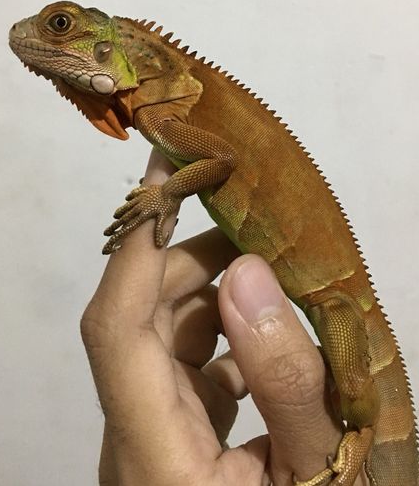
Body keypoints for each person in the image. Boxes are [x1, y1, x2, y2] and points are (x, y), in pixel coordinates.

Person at [81, 150, 366, 485]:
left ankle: (366, 435)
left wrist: (166, 194)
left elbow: (223, 162)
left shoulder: (166, 115)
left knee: (354, 388)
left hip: (335, 290)